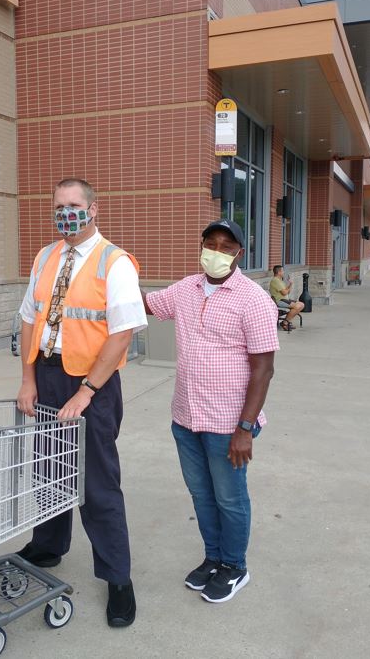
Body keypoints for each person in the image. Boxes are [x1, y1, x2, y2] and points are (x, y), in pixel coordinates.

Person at [16, 177, 147, 627]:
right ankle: (49, 546)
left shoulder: (115, 262)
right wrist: (28, 379)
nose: (64, 213)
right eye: (58, 206)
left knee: (96, 484)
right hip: (48, 377)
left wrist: (87, 391)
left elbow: (123, 332)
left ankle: (118, 579)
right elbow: (29, 320)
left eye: (73, 205)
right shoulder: (46, 255)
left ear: (94, 209)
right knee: (49, 468)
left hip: (92, 384)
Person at [143, 219, 279, 603]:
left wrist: (245, 428)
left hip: (228, 423)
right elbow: (147, 304)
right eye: (210, 243)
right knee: (202, 495)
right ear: (201, 246)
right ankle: (213, 558)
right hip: (186, 418)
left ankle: (235, 566)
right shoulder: (186, 288)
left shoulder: (254, 299)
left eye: (226, 246)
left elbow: (264, 369)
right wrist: (111, 274)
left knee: (230, 498)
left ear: (239, 252)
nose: (216, 252)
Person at [269, 265, 304, 331]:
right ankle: (285, 323)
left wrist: (290, 284)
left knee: (301, 305)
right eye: (282, 271)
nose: (284, 272)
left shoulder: (280, 281)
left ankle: (287, 321)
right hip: (279, 300)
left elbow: (287, 291)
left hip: (285, 299)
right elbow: (284, 293)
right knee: (297, 306)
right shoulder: (275, 280)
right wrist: (287, 289)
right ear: (279, 272)